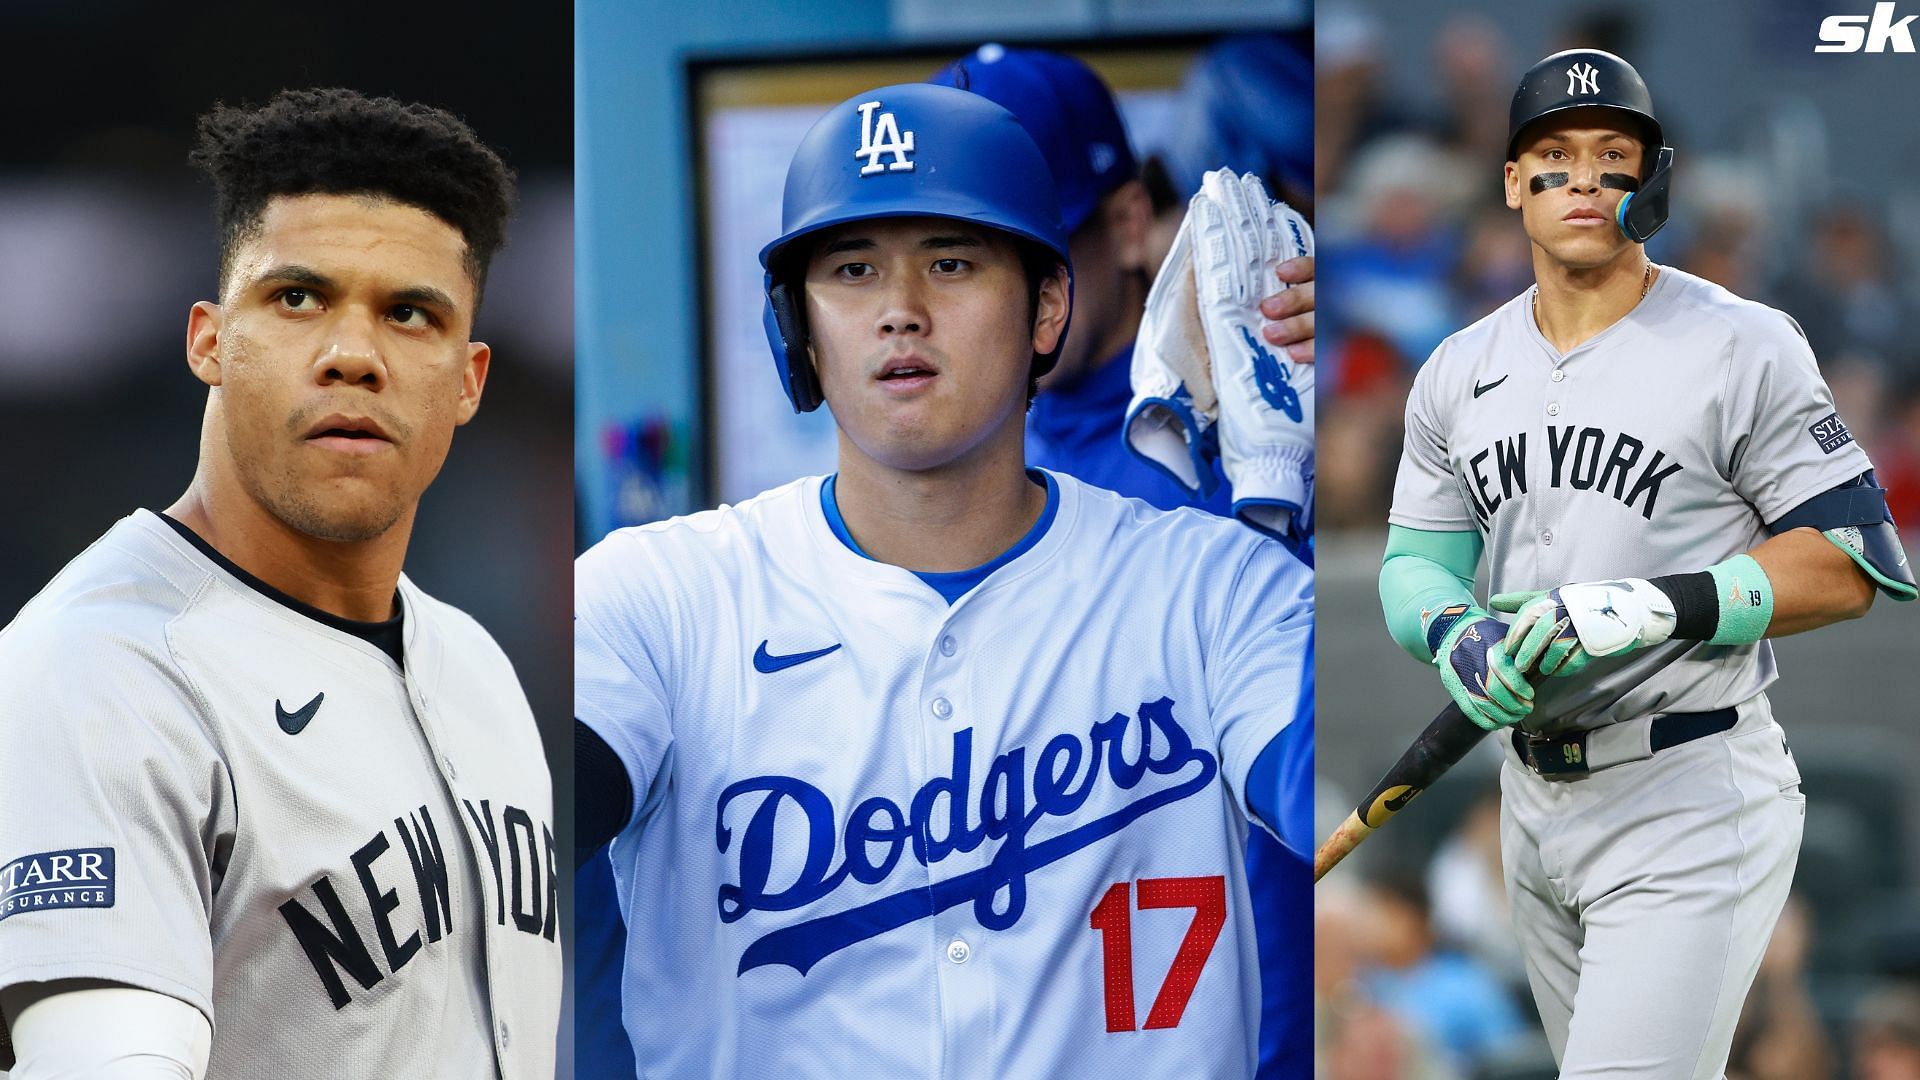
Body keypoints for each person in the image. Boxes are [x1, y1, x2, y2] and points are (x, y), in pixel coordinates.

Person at [575, 83, 1311, 1077]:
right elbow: (506, 816)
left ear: (1048, 306)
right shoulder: (660, 596)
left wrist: (1305, 497)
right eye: (852, 269)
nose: (900, 312)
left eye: (952, 262)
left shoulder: (1210, 583)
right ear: (795, 325)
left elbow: (1333, 797)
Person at [0, 89, 561, 1079]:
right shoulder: (99, 674)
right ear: (209, 340)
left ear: (469, 379)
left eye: (410, 313)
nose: (353, 356)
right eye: (298, 297)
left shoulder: (476, 661)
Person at [1379, 49, 1916, 1078]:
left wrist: (1658, 606)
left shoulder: (1742, 342)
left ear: (1649, 180)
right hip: (1530, 805)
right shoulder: (1458, 368)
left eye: (1610, 155)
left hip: (1686, 783)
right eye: (1554, 155)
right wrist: (1457, 630)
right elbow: (1413, 566)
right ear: (1510, 183)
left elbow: (1855, 562)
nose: (1581, 178)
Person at [927, 44, 1316, 1077]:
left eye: (1030, 248)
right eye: (956, 256)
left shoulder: (1244, 427)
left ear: (1130, 226)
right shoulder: (942, 486)